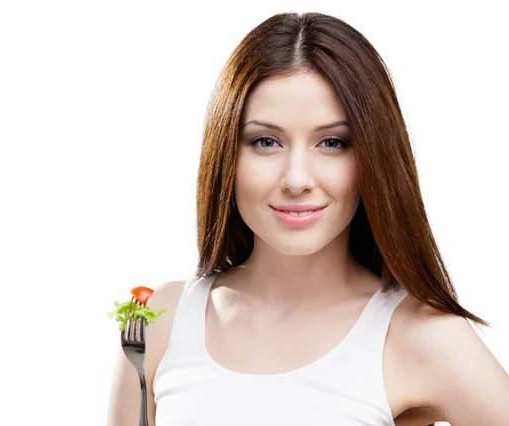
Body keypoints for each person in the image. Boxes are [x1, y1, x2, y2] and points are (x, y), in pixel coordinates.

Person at [107, 11, 509, 426]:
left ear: (374, 156)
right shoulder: (157, 320)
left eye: (332, 142)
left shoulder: (423, 336)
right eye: (265, 142)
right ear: (225, 151)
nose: (297, 179)